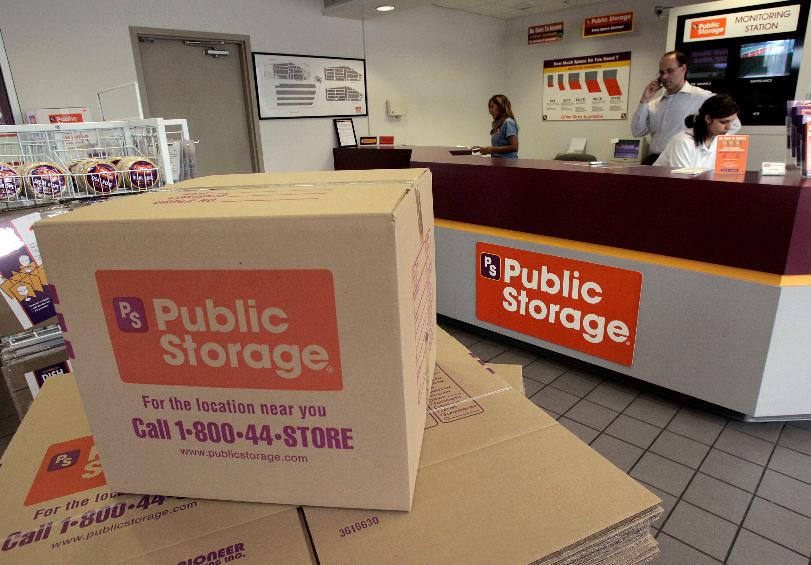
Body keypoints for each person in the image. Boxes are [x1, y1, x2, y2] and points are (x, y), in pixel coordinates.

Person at [631, 51, 739, 165]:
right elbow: (637, 131)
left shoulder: (703, 97)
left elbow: (733, 125)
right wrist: (645, 99)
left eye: (670, 71)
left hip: (683, 158)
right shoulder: (654, 104)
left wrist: (706, 146)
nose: (664, 77)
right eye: (661, 73)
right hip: (655, 162)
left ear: (683, 69)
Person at [653, 94, 739, 169]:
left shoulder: (726, 140)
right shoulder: (683, 142)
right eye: (723, 122)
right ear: (708, 119)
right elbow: (681, 182)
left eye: (731, 121)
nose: (729, 127)